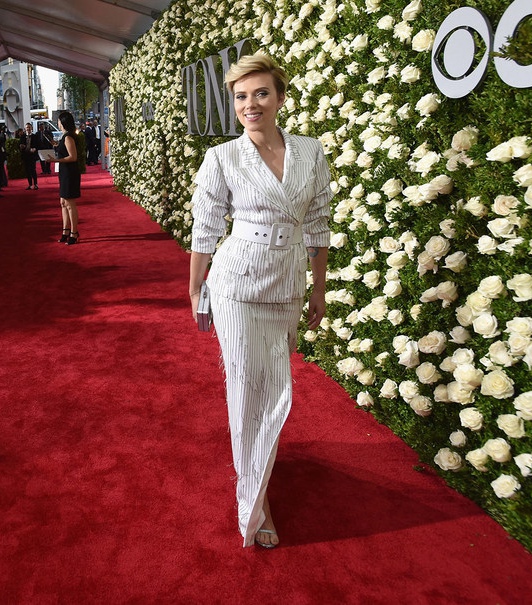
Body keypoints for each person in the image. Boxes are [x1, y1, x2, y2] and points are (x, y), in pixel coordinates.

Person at [188, 52, 331, 549]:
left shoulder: (312, 153)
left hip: (287, 283)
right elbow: (205, 228)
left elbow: (318, 224)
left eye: (261, 93)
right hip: (236, 286)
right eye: (241, 97)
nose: (251, 105)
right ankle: (256, 498)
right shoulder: (222, 157)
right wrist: (195, 287)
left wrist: (320, 285)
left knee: (277, 389)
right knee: (248, 389)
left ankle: (258, 467)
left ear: (280, 97)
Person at [50, 111, 81, 244]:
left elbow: (73, 157)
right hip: (64, 172)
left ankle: (74, 232)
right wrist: (57, 146)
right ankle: (65, 230)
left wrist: (56, 161)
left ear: (62, 122)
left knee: (70, 203)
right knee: (63, 202)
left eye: (58, 121)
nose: (57, 123)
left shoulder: (68, 137)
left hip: (70, 173)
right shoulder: (65, 137)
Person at [18, 122, 38, 190]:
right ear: (25, 129)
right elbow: (20, 145)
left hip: (32, 155)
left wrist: (35, 149)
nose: (28, 129)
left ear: (31, 128)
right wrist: (21, 146)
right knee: (27, 170)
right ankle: (30, 184)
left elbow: (38, 145)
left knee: (33, 170)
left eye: (29, 127)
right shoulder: (22, 136)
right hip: (25, 155)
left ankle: (35, 184)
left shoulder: (34, 136)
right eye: (27, 128)